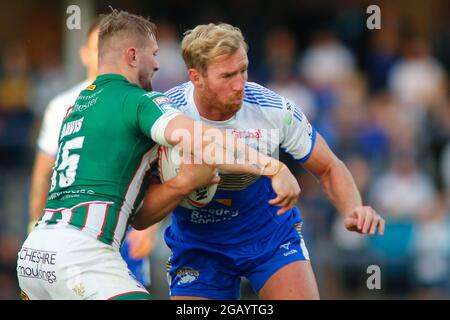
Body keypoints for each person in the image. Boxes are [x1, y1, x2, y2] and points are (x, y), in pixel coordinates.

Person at [17, 11, 299, 300]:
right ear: (132, 56)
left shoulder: (76, 105)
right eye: (152, 54)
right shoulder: (139, 101)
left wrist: (182, 183)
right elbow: (203, 140)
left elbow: (134, 208)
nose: (157, 64)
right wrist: (272, 167)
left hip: (36, 254)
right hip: (81, 255)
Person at [148, 23, 385, 300]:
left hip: (269, 239)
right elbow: (142, 205)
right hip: (199, 246)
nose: (240, 85)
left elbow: (329, 166)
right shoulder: (165, 114)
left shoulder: (272, 109)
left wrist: (352, 208)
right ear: (195, 77)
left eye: (243, 70)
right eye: (227, 75)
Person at [27, 17, 156, 290]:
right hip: (74, 232)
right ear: (85, 53)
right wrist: (33, 221)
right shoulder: (63, 104)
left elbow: (156, 168)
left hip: (125, 227)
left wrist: (150, 228)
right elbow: (43, 172)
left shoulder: (138, 98)